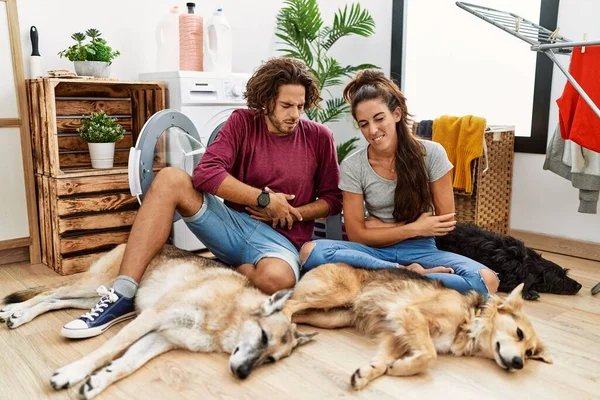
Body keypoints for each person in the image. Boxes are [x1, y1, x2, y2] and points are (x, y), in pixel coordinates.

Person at [61, 58, 343, 339]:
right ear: (267, 100)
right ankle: (121, 295)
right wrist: (265, 201)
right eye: (286, 106)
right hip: (232, 227)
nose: (295, 114)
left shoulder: (319, 137)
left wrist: (292, 212)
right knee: (172, 178)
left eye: (300, 106)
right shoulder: (242, 123)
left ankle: (228, 270)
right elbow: (206, 175)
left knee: (277, 280)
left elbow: (333, 199)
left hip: (281, 243)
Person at [298, 70, 499, 295]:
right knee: (310, 251)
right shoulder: (354, 165)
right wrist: (414, 227)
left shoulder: (432, 154)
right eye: (364, 124)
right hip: (373, 252)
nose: (372, 131)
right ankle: (409, 274)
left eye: (379, 118)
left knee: (486, 280)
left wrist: (378, 227)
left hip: (422, 252)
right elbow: (356, 235)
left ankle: (383, 278)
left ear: (396, 114)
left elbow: (444, 222)